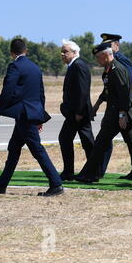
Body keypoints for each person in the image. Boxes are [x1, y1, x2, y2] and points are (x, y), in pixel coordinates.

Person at [0, 38, 63, 196]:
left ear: (12, 53)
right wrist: (39, 117)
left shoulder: (15, 66)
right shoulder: (35, 68)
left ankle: (56, 183)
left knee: (37, 149)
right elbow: (41, 95)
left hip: (24, 115)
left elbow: (8, 92)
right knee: (13, 149)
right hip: (30, 114)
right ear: (25, 51)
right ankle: (1, 185)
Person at [75, 43, 132, 183]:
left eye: (98, 57)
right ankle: (90, 174)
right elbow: (107, 91)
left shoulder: (117, 70)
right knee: (124, 143)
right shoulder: (109, 69)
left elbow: (124, 94)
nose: (97, 60)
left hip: (121, 113)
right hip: (115, 112)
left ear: (105, 55)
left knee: (108, 143)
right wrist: (97, 105)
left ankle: (89, 174)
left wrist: (122, 115)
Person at [96, 33, 132, 180]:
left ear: (117, 45)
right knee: (130, 141)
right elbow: (108, 87)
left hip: (122, 105)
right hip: (115, 106)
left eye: (110, 44)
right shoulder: (109, 62)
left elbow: (125, 86)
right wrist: (98, 104)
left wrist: (123, 112)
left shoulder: (121, 61)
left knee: (130, 141)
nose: (107, 47)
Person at [58, 39, 95, 181]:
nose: (62, 54)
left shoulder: (79, 65)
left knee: (87, 142)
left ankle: (92, 171)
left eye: (65, 51)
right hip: (74, 113)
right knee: (70, 139)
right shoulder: (74, 66)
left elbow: (82, 90)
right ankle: (71, 172)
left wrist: (79, 112)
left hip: (79, 113)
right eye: (62, 51)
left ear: (75, 53)